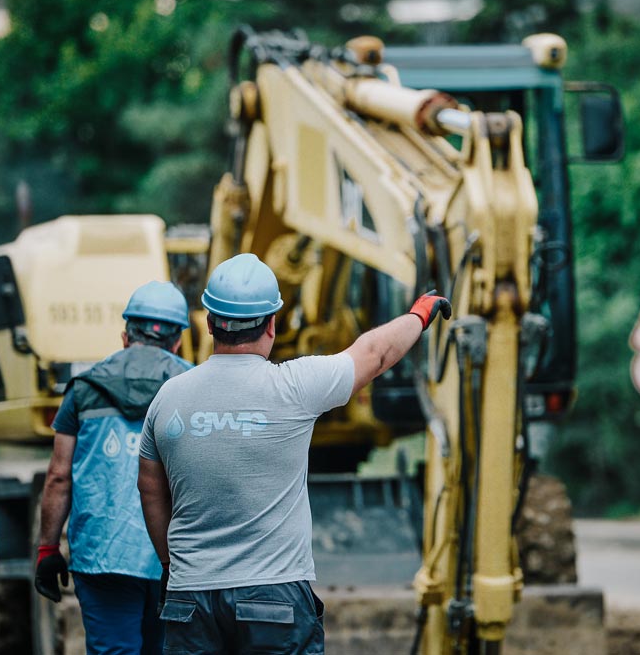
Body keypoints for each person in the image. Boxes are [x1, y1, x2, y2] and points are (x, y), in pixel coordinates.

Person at [138, 253, 450, 655]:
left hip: (191, 598)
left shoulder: (168, 398)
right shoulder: (294, 387)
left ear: (211, 322)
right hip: (273, 597)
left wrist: (171, 565)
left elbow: (151, 489)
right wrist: (419, 314)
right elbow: (374, 354)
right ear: (271, 324)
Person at [35, 281, 194, 655]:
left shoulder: (83, 388)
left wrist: (47, 548)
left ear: (125, 336)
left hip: (103, 556)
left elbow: (59, 475)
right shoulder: (195, 387)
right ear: (177, 342)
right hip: (177, 558)